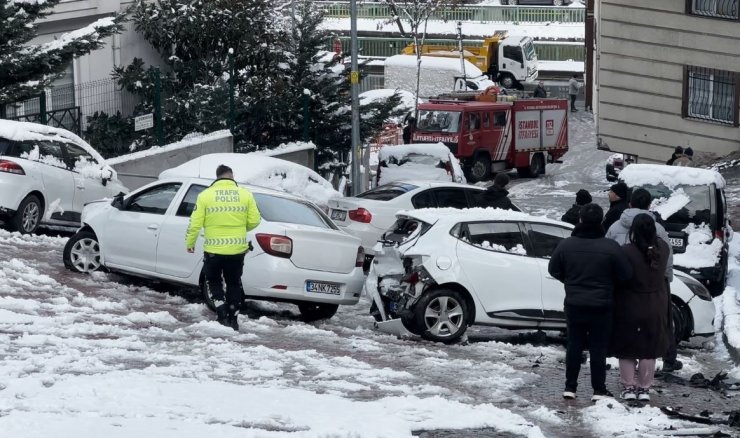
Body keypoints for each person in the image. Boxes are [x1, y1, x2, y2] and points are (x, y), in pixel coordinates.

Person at [548, 203, 633, 401]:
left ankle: (570, 387)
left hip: (574, 304)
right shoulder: (610, 247)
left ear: (580, 220)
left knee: (574, 345)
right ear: (601, 222)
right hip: (602, 306)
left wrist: (569, 281)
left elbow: (553, 269)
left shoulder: (567, 245)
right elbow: (626, 274)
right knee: (598, 348)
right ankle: (598, 389)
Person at [605, 187, 682, 372]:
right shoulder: (658, 229)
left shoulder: (615, 227)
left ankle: (624, 370)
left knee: (624, 325)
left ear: (630, 203)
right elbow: (667, 256)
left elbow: (607, 253)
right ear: (649, 204)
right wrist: (665, 279)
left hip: (623, 286)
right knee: (657, 326)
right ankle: (667, 358)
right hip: (652, 285)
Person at [186, 164, 262, 330]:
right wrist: (240, 228)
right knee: (234, 282)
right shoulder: (245, 194)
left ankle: (221, 312)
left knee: (213, 281)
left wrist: (190, 243)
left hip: (213, 249)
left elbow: (195, 223)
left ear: (217, 176)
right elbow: (255, 220)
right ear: (231, 176)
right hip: (237, 250)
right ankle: (233, 317)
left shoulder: (205, 195)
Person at [611, 214, 671, 402]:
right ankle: (644, 389)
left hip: (630, 304)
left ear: (633, 231)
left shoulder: (626, 251)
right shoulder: (663, 248)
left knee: (627, 348)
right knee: (649, 349)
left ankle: (629, 387)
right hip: (656, 303)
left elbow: (619, 276)